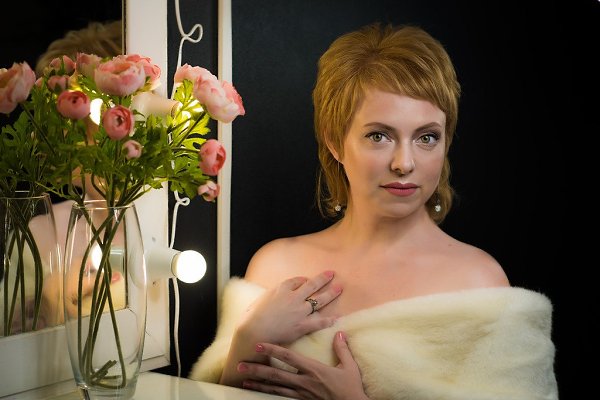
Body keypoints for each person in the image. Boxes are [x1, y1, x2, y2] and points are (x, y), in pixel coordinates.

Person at [188, 23, 557, 399]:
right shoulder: (275, 267)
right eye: (379, 135)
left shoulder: (479, 282)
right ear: (335, 141)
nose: (404, 163)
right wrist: (246, 343)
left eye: (427, 137)